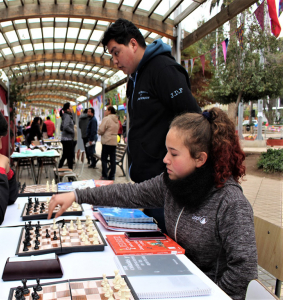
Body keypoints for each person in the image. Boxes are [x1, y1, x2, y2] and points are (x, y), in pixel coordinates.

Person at [48, 108, 258, 300]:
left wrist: (212, 295)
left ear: (200, 159)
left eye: (174, 154)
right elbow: (129, 193)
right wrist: (77, 195)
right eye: (167, 151)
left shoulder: (230, 203)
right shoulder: (171, 183)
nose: (165, 159)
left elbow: (244, 272)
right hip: (174, 280)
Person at [102, 18, 200, 182]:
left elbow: (194, 122)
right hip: (145, 181)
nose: (115, 61)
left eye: (116, 52)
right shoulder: (134, 80)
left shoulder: (163, 70)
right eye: (112, 55)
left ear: (133, 44)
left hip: (164, 182)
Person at [98, 106, 119, 180]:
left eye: (106, 110)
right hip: (114, 142)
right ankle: (112, 175)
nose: (105, 111)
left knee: (104, 159)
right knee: (113, 159)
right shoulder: (116, 120)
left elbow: (101, 129)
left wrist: (99, 132)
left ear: (109, 111)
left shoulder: (106, 119)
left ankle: (105, 175)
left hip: (107, 141)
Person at [58, 102, 75, 170]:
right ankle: (70, 173)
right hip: (68, 139)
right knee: (70, 157)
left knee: (65, 155)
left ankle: (59, 168)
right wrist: (72, 131)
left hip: (65, 139)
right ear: (68, 109)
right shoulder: (67, 116)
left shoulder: (65, 116)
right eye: (71, 107)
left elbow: (62, 128)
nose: (72, 108)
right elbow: (65, 127)